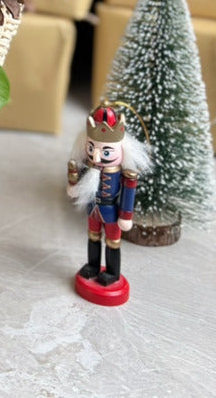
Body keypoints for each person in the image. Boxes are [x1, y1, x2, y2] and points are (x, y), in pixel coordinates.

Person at [66, 104, 151, 305]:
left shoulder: (124, 174)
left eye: (105, 152)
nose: (96, 156)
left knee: (113, 242)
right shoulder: (88, 167)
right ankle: (93, 266)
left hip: (112, 211)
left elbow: (128, 192)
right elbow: (77, 182)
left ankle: (112, 273)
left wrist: (126, 215)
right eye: (91, 148)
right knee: (93, 237)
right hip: (93, 209)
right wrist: (73, 184)